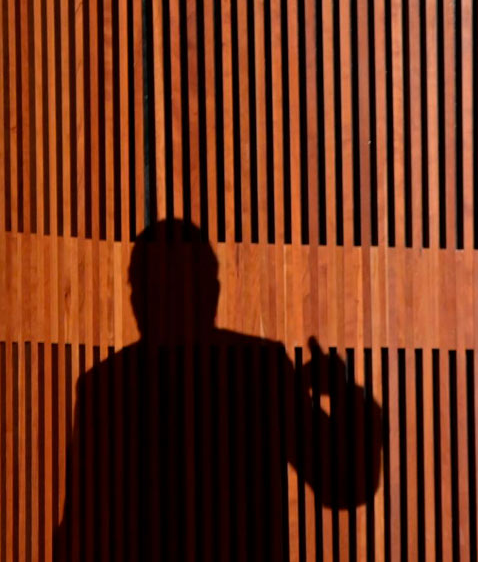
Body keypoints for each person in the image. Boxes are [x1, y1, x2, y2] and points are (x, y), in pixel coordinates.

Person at [53, 219, 383, 561]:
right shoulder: (258, 371)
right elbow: (343, 482)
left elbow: (80, 530)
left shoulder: (105, 386)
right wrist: (344, 395)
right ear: (210, 292)